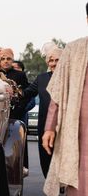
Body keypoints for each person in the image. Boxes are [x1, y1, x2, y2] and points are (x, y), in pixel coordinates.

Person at [42, 2, 88, 196]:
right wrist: (49, 128)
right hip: (78, 136)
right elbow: (57, 95)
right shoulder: (73, 50)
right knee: (82, 193)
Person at [22, 45, 62, 182]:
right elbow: (26, 93)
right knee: (46, 154)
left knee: (62, 153)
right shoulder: (41, 78)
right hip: (44, 124)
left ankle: (60, 181)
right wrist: (11, 90)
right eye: (51, 61)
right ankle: (50, 182)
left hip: (65, 123)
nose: (54, 64)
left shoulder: (71, 77)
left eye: (58, 60)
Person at [0, 48, 30, 171]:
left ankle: (20, 168)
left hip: (14, 114)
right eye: (3, 59)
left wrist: (20, 108)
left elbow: (27, 93)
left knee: (16, 141)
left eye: (8, 59)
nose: (5, 61)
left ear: (12, 60)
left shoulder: (20, 75)